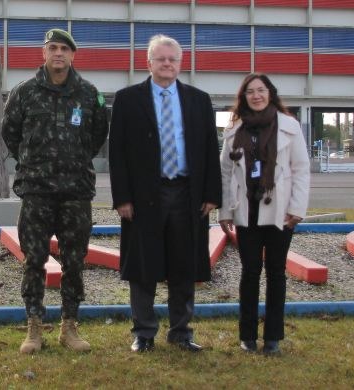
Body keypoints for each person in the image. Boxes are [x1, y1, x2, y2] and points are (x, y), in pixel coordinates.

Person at [109, 34, 222, 353]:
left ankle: (181, 331)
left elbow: (209, 151)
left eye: (173, 59)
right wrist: (122, 198)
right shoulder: (128, 99)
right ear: (149, 63)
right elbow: (117, 153)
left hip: (187, 194)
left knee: (184, 265)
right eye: (161, 58)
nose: (167, 64)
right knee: (143, 266)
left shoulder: (199, 100)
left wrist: (212, 193)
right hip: (145, 195)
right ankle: (143, 332)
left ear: (180, 63)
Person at [1, 28, 108, 354]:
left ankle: (69, 326)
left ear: (73, 55)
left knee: (74, 262)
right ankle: (34, 327)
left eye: (64, 48)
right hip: (37, 191)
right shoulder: (24, 92)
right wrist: (34, 162)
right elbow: (10, 133)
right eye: (53, 48)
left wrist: (71, 161)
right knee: (34, 260)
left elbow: (97, 135)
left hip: (75, 191)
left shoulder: (90, 94)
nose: (58, 53)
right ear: (44, 53)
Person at [218, 73, 310, 355]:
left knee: (276, 273)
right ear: (243, 97)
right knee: (249, 272)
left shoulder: (289, 126)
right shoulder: (233, 129)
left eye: (261, 90)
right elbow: (224, 172)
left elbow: (300, 170)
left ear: (270, 93)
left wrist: (297, 209)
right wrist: (224, 210)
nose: (256, 96)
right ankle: (247, 336)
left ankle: (273, 338)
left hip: (280, 212)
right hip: (246, 210)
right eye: (250, 92)